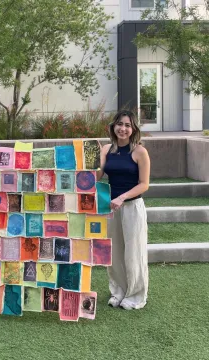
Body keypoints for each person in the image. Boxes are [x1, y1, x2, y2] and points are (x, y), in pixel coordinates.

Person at [97, 110, 150, 310]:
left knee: (134, 252)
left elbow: (144, 184)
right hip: (111, 208)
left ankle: (136, 295)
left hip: (132, 207)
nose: (123, 128)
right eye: (120, 124)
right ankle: (118, 291)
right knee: (114, 252)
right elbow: (97, 175)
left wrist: (122, 197)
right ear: (113, 126)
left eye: (128, 125)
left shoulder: (139, 152)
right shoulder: (107, 150)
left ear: (133, 129)